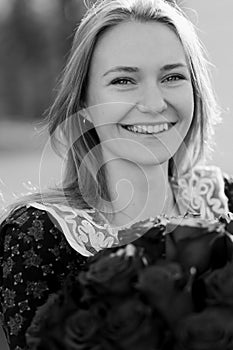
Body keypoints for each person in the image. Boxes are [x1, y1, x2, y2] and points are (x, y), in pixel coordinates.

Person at [1, 0, 233, 348]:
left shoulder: (225, 198)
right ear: (84, 105)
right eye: (124, 80)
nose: (154, 103)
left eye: (172, 77)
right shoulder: (36, 237)